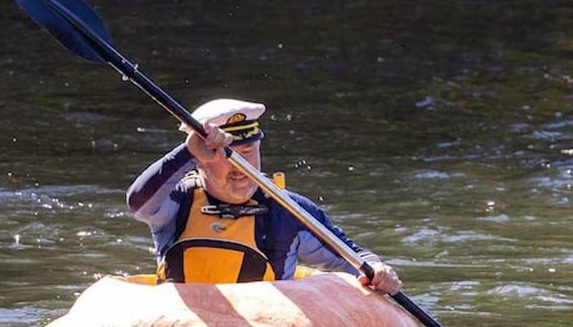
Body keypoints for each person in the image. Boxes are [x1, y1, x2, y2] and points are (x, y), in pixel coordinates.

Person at [126, 98, 402, 294]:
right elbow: (137, 203)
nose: (239, 169)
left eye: (248, 153)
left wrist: (378, 268)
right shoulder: (178, 203)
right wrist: (186, 153)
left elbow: (350, 258)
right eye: (227, 156)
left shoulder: (288, 211)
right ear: (201, 160)